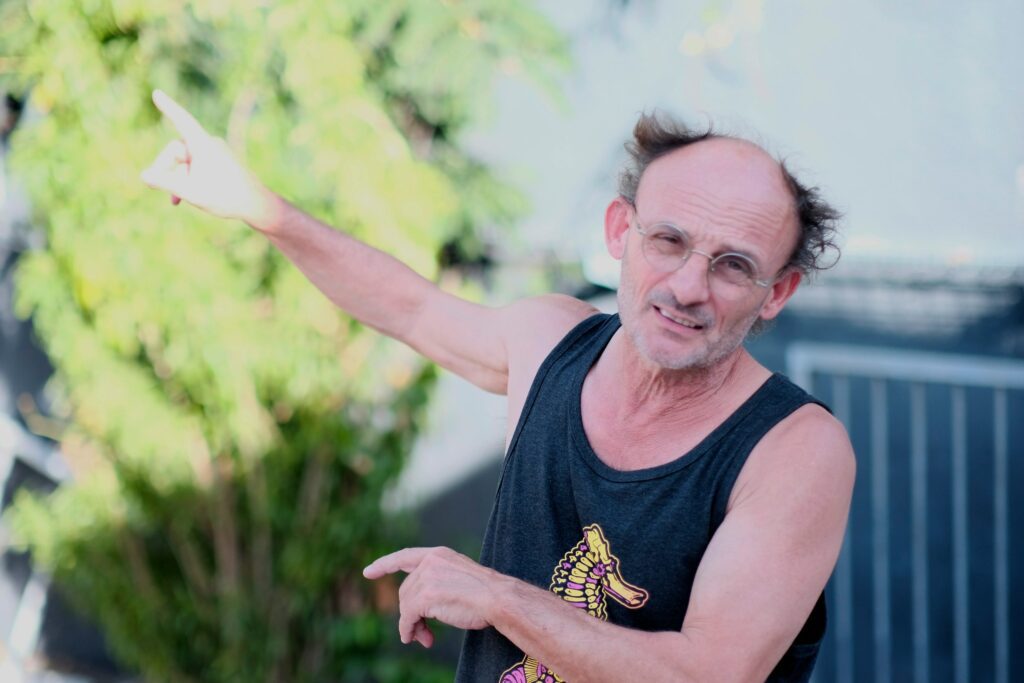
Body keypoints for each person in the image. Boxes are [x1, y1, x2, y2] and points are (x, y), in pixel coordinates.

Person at [142, 89, 855, 683]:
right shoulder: (549, 341)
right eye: (669, 240)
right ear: (620, 231)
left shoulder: (793, 451)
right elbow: (407, 304)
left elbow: (707, 676)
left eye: (733, 265)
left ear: (777, 292)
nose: (688, 287)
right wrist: (256, 206)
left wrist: (496, 595)